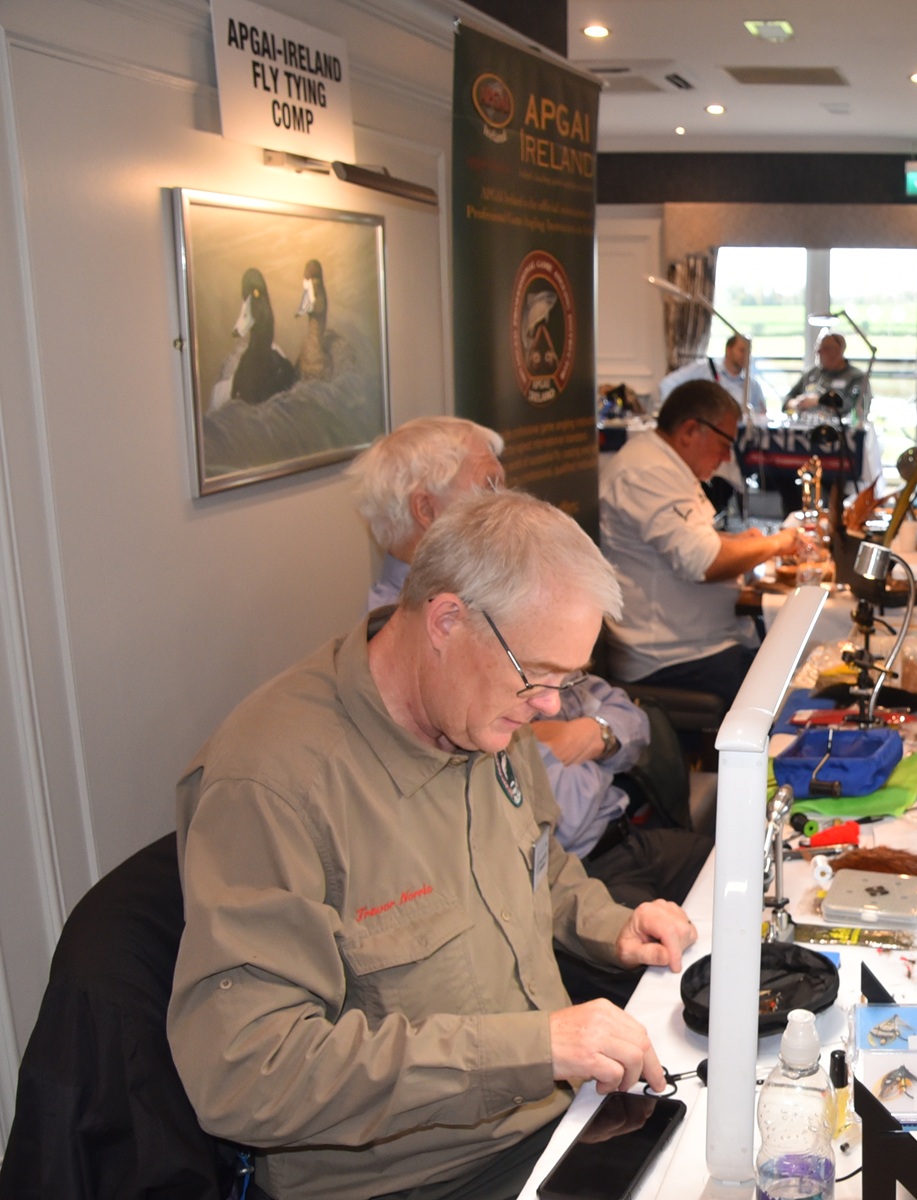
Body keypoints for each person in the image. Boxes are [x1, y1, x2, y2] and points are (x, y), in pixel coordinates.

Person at [169, 490, 700, 1200]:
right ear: (448, 620)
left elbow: (540, 867)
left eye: (566, 680)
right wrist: (532, 1049)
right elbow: (246, 1072)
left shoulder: (482, 709)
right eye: (538, 674)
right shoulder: (274, 782)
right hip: (415, 1177)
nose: (550, 705)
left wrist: (611, 926)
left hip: (553, 1125)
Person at [347, 418, 711, 927]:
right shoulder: (422, 641)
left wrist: (590, 735)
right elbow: (559, 815)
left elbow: (626, 717)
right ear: (426, 511)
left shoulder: (512, 599)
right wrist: (594, 744)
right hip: (572, 876)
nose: (507, 500)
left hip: (607, 851)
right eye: (489, 485)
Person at [599, 379, 800, 701]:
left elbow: (694, 540)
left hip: (698, 644)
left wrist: (740, 542)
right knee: (795, 690)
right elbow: (703, 562)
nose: (726, 457)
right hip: (671, 658)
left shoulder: (666, 465)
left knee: (794, 661)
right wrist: (777, 543)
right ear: (690, 430)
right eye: (724, 444)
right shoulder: (647, 471)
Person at [657, 333, 767, 421]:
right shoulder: (704, 369)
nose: (746, 356)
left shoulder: (752, 385)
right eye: (742, 350)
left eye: (749, 352)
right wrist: (678, 414)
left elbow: (761, 415)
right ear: (729, 350)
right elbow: (667, 384)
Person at [784, 330, 871, 427]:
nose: (818, 352)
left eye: (824, 348)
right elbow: (787, 400)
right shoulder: (811, 373)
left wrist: (819, 401)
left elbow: (857, 407)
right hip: (804, 427)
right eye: (817, 347)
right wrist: (798, 403)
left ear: (838, 351)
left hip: (838, 430)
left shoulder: (856, 377)